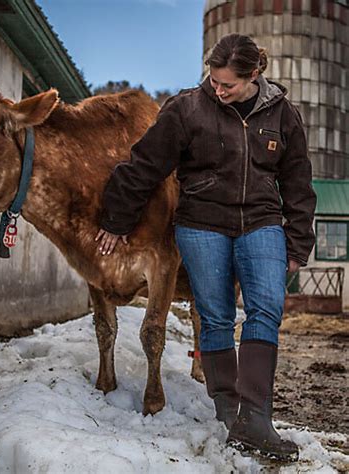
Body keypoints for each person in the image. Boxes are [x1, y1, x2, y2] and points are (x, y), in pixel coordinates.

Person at [95, 34, 316, 462]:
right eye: (213, 80)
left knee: (266, 309)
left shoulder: (282, 114)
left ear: (254, 76)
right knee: (215, 316)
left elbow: (298, 184)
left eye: (228, 84)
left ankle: (256, 419)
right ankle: (228, 412)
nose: (217, 89)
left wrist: (298, 241)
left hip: (261, 222)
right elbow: (144, 164)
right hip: (202, 225)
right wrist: (116, 219)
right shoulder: (186, 108)